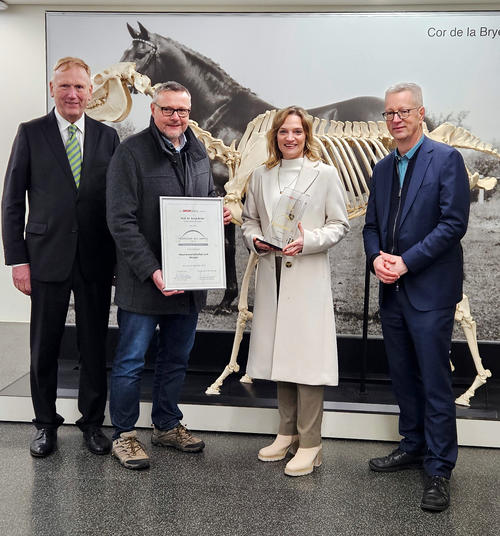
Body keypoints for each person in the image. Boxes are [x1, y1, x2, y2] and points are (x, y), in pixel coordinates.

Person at [106, 81, 232, 470]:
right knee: (130, 360)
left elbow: (199, 201)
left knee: (176, 358)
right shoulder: (130, 153)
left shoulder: (197, 151)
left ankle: (165, 424)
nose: (177, 118)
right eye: (169, 110)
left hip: (188, 282)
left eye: (183, 111)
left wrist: (217, 212)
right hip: (145, 282)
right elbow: (121, 221)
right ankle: (124, 435)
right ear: (153, 110)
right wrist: (153, 271)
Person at [1, 57, 120, 457]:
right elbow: (12, 202)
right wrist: (18, 260)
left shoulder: (108, 137)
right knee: (45, 346)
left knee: (93, 346)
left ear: (90, 92)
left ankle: (91, 423)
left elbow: (117, 202)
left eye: (80, 87)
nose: (73, 94)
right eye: (65, 86)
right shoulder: (31, 133)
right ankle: (45, 425)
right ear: (52, 89)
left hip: (95, 259)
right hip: (45, 257)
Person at [363, 82, 470, 511]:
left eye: (403, 112)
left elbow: (453, 224)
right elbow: (371, 226)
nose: (396, 120)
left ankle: (439, 469)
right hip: (393, 291)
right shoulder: (383, 167)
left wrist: (406, 261)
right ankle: (412, 446)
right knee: (404, 376)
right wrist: (377, 261)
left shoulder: (447, 160)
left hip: (430, 290)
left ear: (420, 113)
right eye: (389, 113)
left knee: (434, 381)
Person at [241, 106, 349, 477]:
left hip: (306, 276)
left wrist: (309, 241)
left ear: (307, 136)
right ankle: (285, 434)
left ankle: (311, 443)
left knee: (307, 362)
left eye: (298, 132)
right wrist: (254, 239)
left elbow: (339, 224)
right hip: (272, 275)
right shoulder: (261, 175)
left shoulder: (325, 175)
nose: (290, 138)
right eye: (284, 132)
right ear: (275, 136)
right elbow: (250, 219)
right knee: (280, 357)